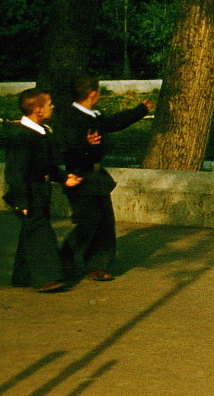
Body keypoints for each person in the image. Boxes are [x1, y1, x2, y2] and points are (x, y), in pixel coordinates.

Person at [53, 74, 151, 282]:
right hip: (79, 176)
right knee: (88, 223)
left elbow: (114, 122)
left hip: (97, 177)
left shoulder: (94, 116)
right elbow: (69, 148)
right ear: (93, 94)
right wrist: (86, 144)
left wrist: (140, 111)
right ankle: (63, 262)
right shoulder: (71, 117)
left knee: (105, 223)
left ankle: (98, 266)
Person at [3, 88, 80, 292]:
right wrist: (22, 201)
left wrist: (64, 178)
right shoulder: (22, 137)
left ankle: (22, 275)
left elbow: (46, 165)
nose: (52, 106)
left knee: (31, 232)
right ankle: (48, 277)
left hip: (40, 192)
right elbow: (15, 172)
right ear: (37, 109)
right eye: (49, 104)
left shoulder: (42, 132)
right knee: (41, 234)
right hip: (28, 193)